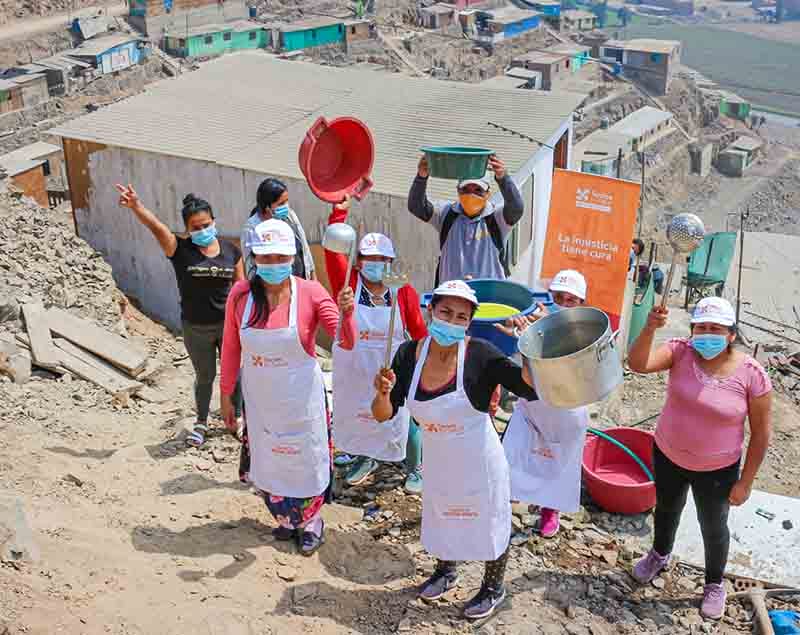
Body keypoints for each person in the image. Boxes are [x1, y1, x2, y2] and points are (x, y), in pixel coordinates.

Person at [372, 280, 537, 620]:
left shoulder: (480, 355)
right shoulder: (408, 355)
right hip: (439, 462)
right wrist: (382, 393)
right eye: (445, 311)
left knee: (491, 521)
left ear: (469, 322)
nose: (451, 321)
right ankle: (445, 571)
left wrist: (528, 348)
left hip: (479, 462)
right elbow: (382, 414)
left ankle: (493, 587)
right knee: (442, 517)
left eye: (461, 317)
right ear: (430, 311)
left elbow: (528, 388)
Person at [627, 297, 772, 620]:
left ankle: (713, 584)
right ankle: (659, 554)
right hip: (667, 454)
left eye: (716, 329)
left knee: (713, 526)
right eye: (701, 327)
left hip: (717, 470)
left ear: (731, 334)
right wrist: (650, 328)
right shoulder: (680, 351)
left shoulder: (752, 374)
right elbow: (637, 364)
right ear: (692, 330)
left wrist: (745, 483)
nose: (708, 334)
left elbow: (761, 435)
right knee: (666, 510)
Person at [219, 219, 356, 556]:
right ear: (255, 259)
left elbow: (346, 341)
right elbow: (231, 347)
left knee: (303, 459)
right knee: (270, 461)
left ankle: (311, 522)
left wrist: (348, 313)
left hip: (300, 402)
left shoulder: (310, 292)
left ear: (292, 257)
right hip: (261, 402)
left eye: (280, 257)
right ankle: (285, 519)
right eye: (266, 258)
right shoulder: (241, 296)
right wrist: (226, 396)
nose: (273, 264)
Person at [115, 184, 243, 447]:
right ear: (187, 229)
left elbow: (242, 289)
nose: (202, 230)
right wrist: (137, 206)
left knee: (235, 374)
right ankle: (202, 422)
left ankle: (238, 418)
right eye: (195, 227)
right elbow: (157, 228)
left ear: (214, 221)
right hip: (195, 327)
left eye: (206, 224)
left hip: (227, 326)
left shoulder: (232, 251)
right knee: (205, 376)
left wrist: (245, 323)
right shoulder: (180, 249)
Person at [325, 198, 428, 493]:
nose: (376, 264)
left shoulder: (403, 290)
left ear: (391, 262)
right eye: (369, 258)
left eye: (382, 260)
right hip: (355, 367)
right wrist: (339, 210)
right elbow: (333, 249)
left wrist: (418, 368)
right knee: (357, 415)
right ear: (358, 261)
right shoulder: (348, 283)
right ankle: (364, 457)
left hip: (390, 367)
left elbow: (418, 331)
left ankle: (414, 467)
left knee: (401, 416)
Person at [503, 270, 588, 539]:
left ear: (581, 304)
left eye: (570, 300)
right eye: (557, 297)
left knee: (559, 458)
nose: (562, 303)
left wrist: (549, 326)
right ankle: (503, 502)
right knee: (517, 450)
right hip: (534, 401)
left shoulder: (586, 331)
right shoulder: (536, 324)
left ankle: (550, 509)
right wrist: (522, 333)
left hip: (568, 406)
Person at [408, 155, 524, 284]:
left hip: (489, 295)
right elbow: (416, 206)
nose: (471, 194)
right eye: (465, 190)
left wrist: (503, 178)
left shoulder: (496, 218)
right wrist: (421, 177)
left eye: (478, 190)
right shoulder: (446, 214)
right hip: (451, 296)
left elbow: (516, 208)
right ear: (458, 191)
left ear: (488, 194)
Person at [241, 178, 315, 280]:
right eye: (281, 203)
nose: (286, 206)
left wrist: (313, 278)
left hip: (300, 280)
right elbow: (250, 266)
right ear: (267, 207)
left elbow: (304, 248)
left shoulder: (290, 216)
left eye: (287, 201)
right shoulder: (252, 229)